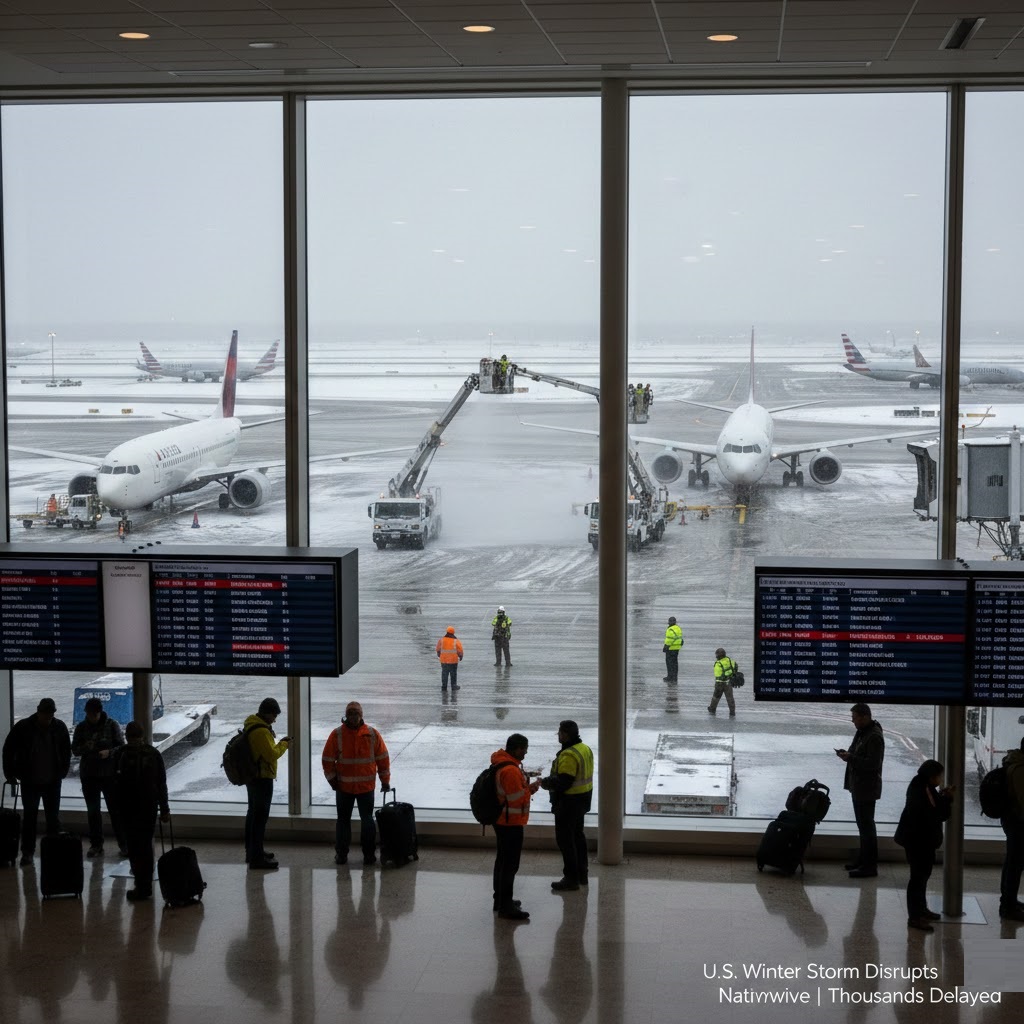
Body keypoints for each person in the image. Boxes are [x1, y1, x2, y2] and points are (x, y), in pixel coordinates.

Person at [2, 697, 71, 867]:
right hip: (39, 780)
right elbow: (65, 751)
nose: (48, 718)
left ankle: (31, 852)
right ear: (40, 712)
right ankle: (40, 852)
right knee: (41, 818)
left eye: (50, 715)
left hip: (40, 780)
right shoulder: (58, 727)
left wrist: (11, 773)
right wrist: (62, 771)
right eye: (47, 714)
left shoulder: (25, 727)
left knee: (40, 818)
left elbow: (8, 749)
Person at [322, 701, 391, 866]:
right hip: (362, 788)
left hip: (345, 787)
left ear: (360, 715)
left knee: (345, 821)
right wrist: (384, 781)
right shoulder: (372, 734)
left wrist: (333, 781)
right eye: (351, 713)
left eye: (355, 713)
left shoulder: (337, 734)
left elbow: (327, 760)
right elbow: (383, 760)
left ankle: (343, 855)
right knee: (365, 820)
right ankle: (368, 856)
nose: (353, 717)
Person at [893, 759, 953, 932]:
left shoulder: (921, 786)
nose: (941, 779)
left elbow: (931, 807)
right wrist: (947, 800)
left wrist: (941, 797)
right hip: (919, 842)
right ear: (932, 776)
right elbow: (937, 814)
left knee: (921, 877)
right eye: (939, 776)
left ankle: (921, 910)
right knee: (918, 879)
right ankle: (915, 917)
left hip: (917, 840)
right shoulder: (922, 790)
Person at [113, 721, 169, 902]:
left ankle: (141, 883)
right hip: (148, 806)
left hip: (128, 807)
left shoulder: (120, 754)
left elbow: (114, 782)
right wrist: (165, 808)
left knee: (135, 847)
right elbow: (161, 784)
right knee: (144, 845)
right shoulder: (153, 754)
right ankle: (145, 883)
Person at [491, 733, 541, 920]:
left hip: (502, 821)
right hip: (510, 822)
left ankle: (501, 899)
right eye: (525, 749)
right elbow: (516, 799)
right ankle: (506, 906)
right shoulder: (510, 770)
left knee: (502, 861)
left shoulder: (501, 762)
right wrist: (532, 789)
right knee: (510, 865)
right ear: (518, 748)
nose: (526, 753)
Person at [540, 720, 594, 892]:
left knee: (565, 840)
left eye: (559, 732)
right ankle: (582, 874)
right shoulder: (584, 748)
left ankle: (571, 878)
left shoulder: (569, 755)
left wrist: (545, 782)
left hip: (568, 803)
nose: (558, 735)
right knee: (578, 837)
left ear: (565, 734)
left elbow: (564, 782)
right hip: (583, 799)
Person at [72, 696, 127, 858]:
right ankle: (96, 845)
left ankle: (123, 844)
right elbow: (74, 749)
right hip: (89, 775)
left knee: (115, 811)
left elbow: (122, 746)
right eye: (89, 714)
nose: (91, 717)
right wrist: (86, 747)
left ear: (100, 712)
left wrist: (109, 752)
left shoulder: (112, 725)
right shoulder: (81, 728)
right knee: (93, 812)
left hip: (109, 775)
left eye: (94, 714)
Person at [836, 703, 885, 878]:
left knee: (867, 827)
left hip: (866, 787)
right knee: (863, 826)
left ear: (865, 717)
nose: (853, 721)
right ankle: (864, 861)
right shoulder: (863, 732)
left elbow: (873, 764)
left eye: (855, 718)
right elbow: (855, 751)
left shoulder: (874, 737)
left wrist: (851, 758)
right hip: (859, 786)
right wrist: (847, 755)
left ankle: (869, 866)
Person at [244, 698, 290, 870]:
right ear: (267, 712)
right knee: (260, 819)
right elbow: (271, 755)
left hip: (252, 777)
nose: (275, 719)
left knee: (252, 815)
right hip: (262, 778)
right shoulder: (261, 732)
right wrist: (284, 744)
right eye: (274, 715)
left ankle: (253, 851)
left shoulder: (251, 723)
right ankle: (256, 858)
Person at [999, 735, 1024, 921]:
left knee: (1011, 863)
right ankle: (1008, 906)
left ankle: (1009, 901)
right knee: (1015, 865)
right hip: (1019, 824)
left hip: (1011, 821)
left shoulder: (1011, 764)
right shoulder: (1019, 770)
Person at [708, 647, 737, 717]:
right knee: (730, 698)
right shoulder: (729, 660)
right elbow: (735, 666)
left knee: (716, 697)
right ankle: (732, 712)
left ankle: (712, 709)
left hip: (719, 683)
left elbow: (717, 675)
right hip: (728, 683)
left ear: (718, 655)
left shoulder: (718, 663)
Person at [436, 625, 464, 691]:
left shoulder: (442, 640)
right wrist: (461, 656)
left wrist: (439, 654)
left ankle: (444, 686)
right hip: (453, 660)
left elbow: (438, 649)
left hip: (444, 660)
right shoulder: (456, 641)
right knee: (453, 673)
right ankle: (453, 686)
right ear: (453, 632)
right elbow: (460, 650)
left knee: (444, 673)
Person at [662, 616, 683, 683]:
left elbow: (670, 639)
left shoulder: (670, 629)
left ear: (669, 622)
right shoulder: (678, 628)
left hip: (670, 648)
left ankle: (670, 677)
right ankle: (674, 677)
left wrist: (666, 646)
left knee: (669, 663)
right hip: (677, 648)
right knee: (675, 663)